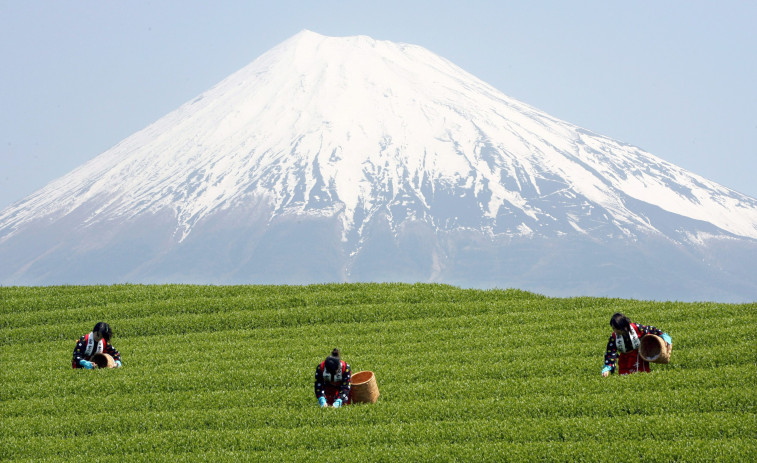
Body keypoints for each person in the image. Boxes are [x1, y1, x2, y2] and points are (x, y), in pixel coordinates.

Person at [602, 312, 671, 376]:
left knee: (642, 376)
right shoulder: (614, 337)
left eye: (615, 328)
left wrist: (664, 336)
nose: (614, 330)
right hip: (624, 360)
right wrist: (608, 368)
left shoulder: (636, 328)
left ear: (621, 327)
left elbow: (651, 330)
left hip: (638, 357)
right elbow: (610, 352)